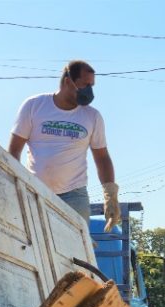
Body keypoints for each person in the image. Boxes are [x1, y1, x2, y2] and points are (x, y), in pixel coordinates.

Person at [8, 60, 120, 230]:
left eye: (92, 85)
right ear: (68, 81)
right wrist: (14, 184)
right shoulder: (34, 106)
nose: (89, 91)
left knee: (75, 252)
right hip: (35, 190)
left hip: (74, 196)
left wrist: (110, 196)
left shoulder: (92, 117)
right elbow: (14, 150)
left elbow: (102, 158)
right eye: (85, 84)